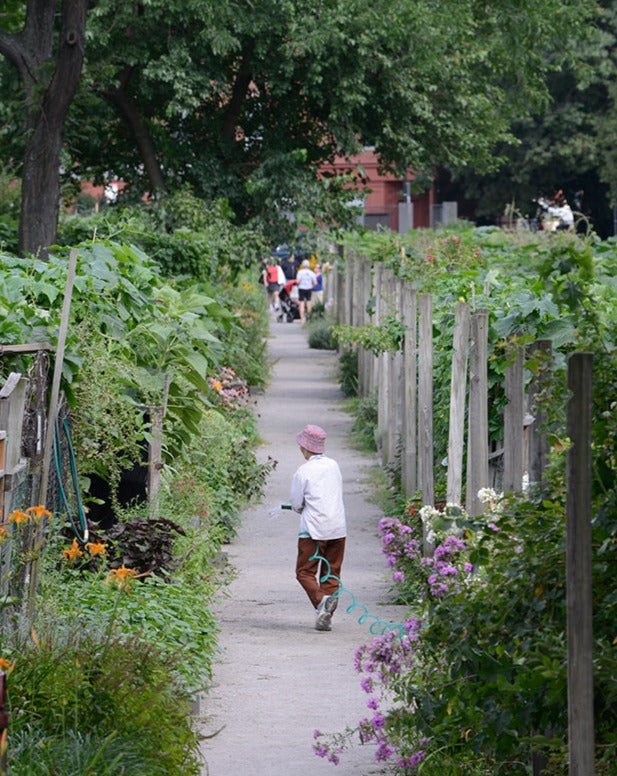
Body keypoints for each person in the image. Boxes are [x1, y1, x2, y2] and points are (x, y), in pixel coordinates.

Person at [290, 424, 346, 632]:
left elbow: (296, 503)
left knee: (304, 571)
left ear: (305, 447)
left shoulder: (303, 471)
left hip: (313, 530)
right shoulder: (334, 465)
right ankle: (326, 615)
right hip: (338, 528)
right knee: (331, 572)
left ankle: (321, 601)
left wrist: (301, 507)